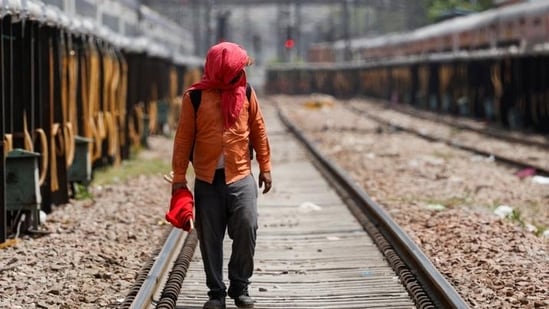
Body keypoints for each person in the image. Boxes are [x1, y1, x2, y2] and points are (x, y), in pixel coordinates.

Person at [171, 41, 272, 309]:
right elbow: (183, 139)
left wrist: (265, 166)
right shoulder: (194, 97)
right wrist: (179, 177)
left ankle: (240, 287)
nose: (241, 74)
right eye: (235, 69)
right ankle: (216, 292)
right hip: (207, 179)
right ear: (221, 70)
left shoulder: (246, 92)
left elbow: (258, 131)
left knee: (247, 227)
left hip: (240, 175)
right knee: (210, 238)